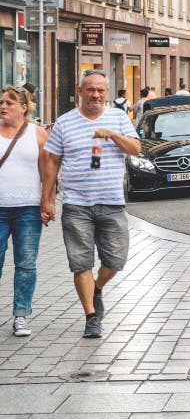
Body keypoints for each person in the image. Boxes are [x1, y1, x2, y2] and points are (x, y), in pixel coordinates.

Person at [41, 70, 141, 339]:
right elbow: (51, 160)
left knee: (116, 261)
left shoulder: (119, 118)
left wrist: (112, 135)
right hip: (76, 205)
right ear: (80, 91)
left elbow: (135, 148)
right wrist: (48, 198)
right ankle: (91, 316)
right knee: (80, 263)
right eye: (90, 90)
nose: (95, 95)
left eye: (100, 90)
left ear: (107, 93)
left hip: (112, 203)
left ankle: (98, 287)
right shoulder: (64, 123)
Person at [0, 86, 48, 337]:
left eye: (9, 103)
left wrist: (47, 202)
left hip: (28, 210)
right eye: (1, 102)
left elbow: (47, 174)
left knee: (26, 264)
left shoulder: (38, 135)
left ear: (23, 107)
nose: (3, 107)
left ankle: (21, 315)